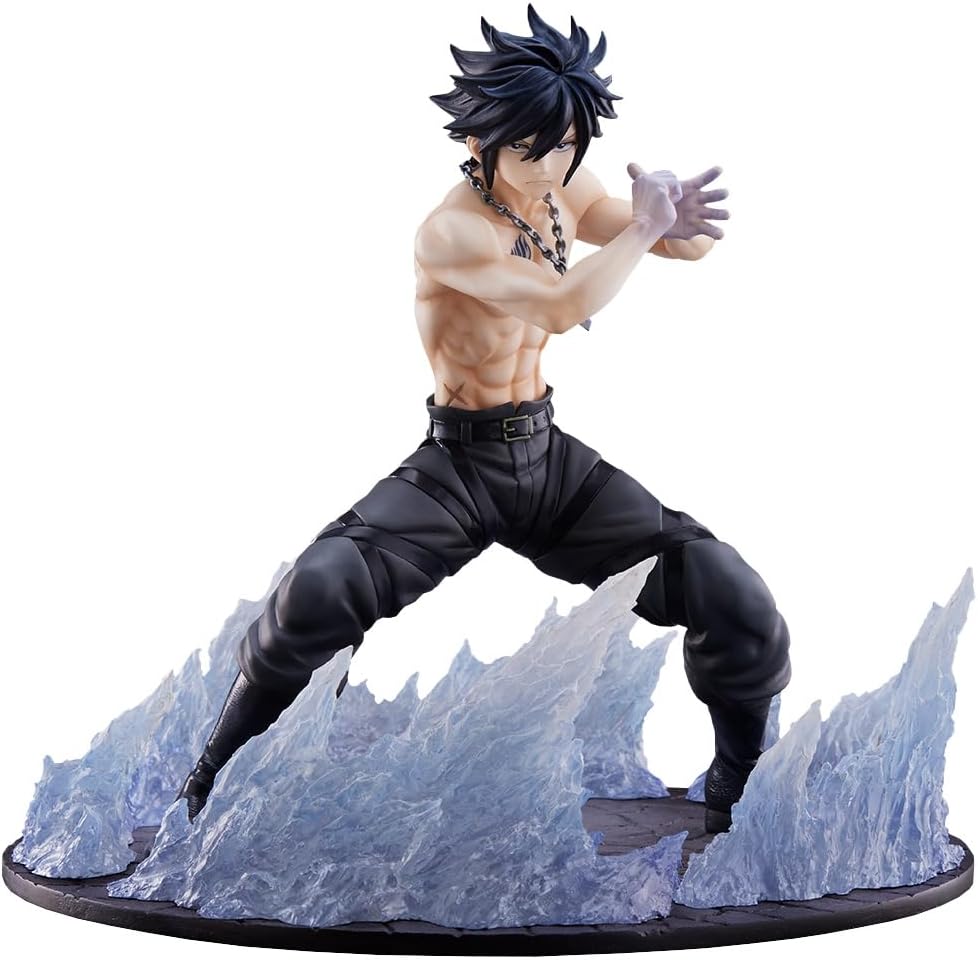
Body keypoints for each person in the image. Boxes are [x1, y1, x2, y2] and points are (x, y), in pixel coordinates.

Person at [179, 4, 790, 834]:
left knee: (728, 591)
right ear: (480, 141)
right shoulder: (452, 232)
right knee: (315, 595)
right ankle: (209, 790)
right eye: (532, 149)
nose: (552, 165)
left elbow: (678, 245)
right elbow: (566, 305)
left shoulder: (562, 186)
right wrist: (645, 228)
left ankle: (737, 796)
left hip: (547, 464)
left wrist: (671, 220)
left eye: (568, 145)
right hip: (458, 470)